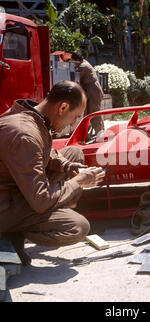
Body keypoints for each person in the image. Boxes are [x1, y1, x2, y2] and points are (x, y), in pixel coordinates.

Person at [0, 81, 106, 265]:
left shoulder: (32, 115)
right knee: (77, 227)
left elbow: (42, 150)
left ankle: (46, 209)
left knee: (74, 153)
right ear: (63, 107)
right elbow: (40, 200)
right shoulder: (24, 134)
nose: (73, 123)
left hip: (16, 186)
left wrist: (67, 167)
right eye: (75, 116)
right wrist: (78, 182)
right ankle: (12, 232)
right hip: (5, 206)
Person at [71, 52, 105, 137]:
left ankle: (100, 133)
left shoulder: (83, 66)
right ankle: (98, 131)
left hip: (93, 89)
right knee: (91, 112)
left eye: (73, 61)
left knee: (94, 111)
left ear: (77, 60)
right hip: (90, 89)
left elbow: (76, 76)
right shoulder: (84, 62)